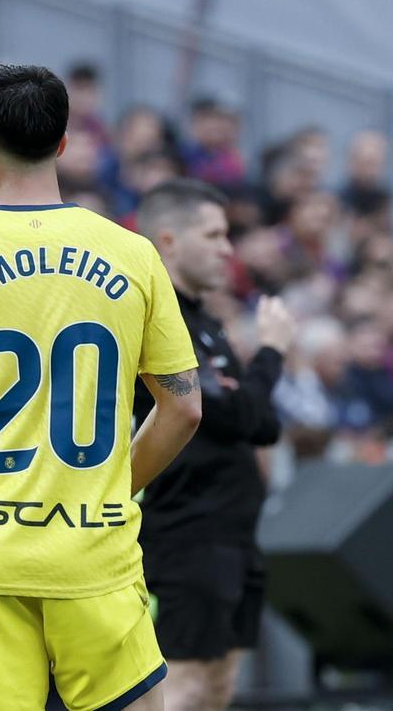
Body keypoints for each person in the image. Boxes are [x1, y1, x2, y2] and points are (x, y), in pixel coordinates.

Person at [0, 64, 203, 711]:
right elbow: (183, 407)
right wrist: (109, 484)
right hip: (95, 553)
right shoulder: (132, 254)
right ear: (62, 145)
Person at [134, 181, 292, 711]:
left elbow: (262, 423)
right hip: (184, 534)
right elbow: (235, 412)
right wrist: (271, 353)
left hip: (235, 535)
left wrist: (248, 389)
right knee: (183, 687)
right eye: (214, 234)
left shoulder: (207, 323)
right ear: (169, 240)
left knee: (219, 687)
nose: (228, 248)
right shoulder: (156, 319)